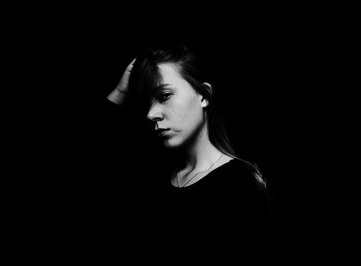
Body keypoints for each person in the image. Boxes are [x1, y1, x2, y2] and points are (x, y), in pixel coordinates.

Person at [106, 43, 270, 253]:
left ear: (203, 96)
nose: (150, 114)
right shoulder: (150, 177)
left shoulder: (241, 185)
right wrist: (120, 93)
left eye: (164, 96)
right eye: (147, 102)